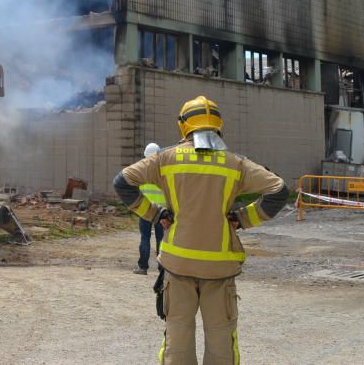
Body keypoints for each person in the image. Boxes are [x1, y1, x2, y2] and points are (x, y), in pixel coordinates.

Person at [113, 95, 289, 365]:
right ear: (219, 125)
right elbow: (278, 190)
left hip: (177, 265)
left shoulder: (165, 159)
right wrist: (243, 218)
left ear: (183, 126)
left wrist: (154, 213)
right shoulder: (236, 164)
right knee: (221, 345)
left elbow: (123, 182)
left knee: (178, 343)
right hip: (220, 269)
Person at [134, 142, 165, 275]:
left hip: (145, 209)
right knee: (162, 240)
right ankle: (162, 268)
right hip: (161, 211)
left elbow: (137, 190)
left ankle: (143, 267)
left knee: (145, 237)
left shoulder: (142, 172)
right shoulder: (164, 171)